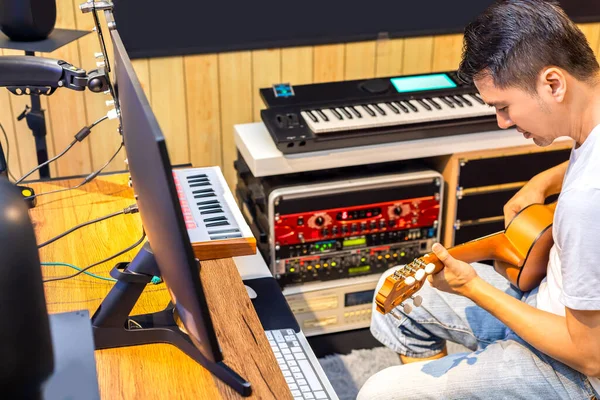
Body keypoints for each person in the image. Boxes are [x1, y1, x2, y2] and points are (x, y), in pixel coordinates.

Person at [357, 1, 600, 399]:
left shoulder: (588, 200)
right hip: (546, 301)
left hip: (576, 371)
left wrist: (472, 287)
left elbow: (590, 356)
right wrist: (545, 179)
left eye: (504, 107)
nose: (503, 123)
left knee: (382, 392)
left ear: (553, 84)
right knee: (400, 297)